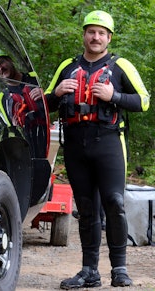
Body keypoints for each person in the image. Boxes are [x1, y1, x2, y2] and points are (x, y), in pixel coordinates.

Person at [44, 10, 150, 289]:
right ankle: (89, 271)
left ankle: (120, 269)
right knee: (87, 209)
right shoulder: (68, 66)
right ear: (84, 35)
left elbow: (144, 101)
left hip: (109, 142)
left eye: (101, 33)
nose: (96, 37)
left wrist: (113, 95)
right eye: (91, 31)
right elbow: (44, 104)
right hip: (76, 145)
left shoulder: (120, 66)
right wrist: (55, 94)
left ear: (109, 38)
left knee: (114, 202)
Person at [0, 48, 47, 158]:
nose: (1, 68)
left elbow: (54, 96)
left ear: (10, 60)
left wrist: (44, 95)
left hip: (45, 138)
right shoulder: (3, 98)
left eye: (1, 62)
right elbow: (8, 129)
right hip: (26, 147)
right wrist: (15, 127)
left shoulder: (35, 79)